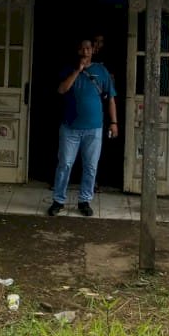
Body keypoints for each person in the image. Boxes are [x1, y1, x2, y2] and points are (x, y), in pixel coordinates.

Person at [47, 38, 117, 217]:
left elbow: (111, 98)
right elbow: (62, 90)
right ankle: (58, 200)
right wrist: (78, 70)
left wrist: (114, 123)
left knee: (91, 166)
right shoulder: (69, 69)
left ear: (93, 50)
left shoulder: (102, 71)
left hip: (94, 128)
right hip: (70, 128)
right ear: (78, 51)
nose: (85, 51)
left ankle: (84, 200)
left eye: (88, 48)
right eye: (82, 48)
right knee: (65, 164)